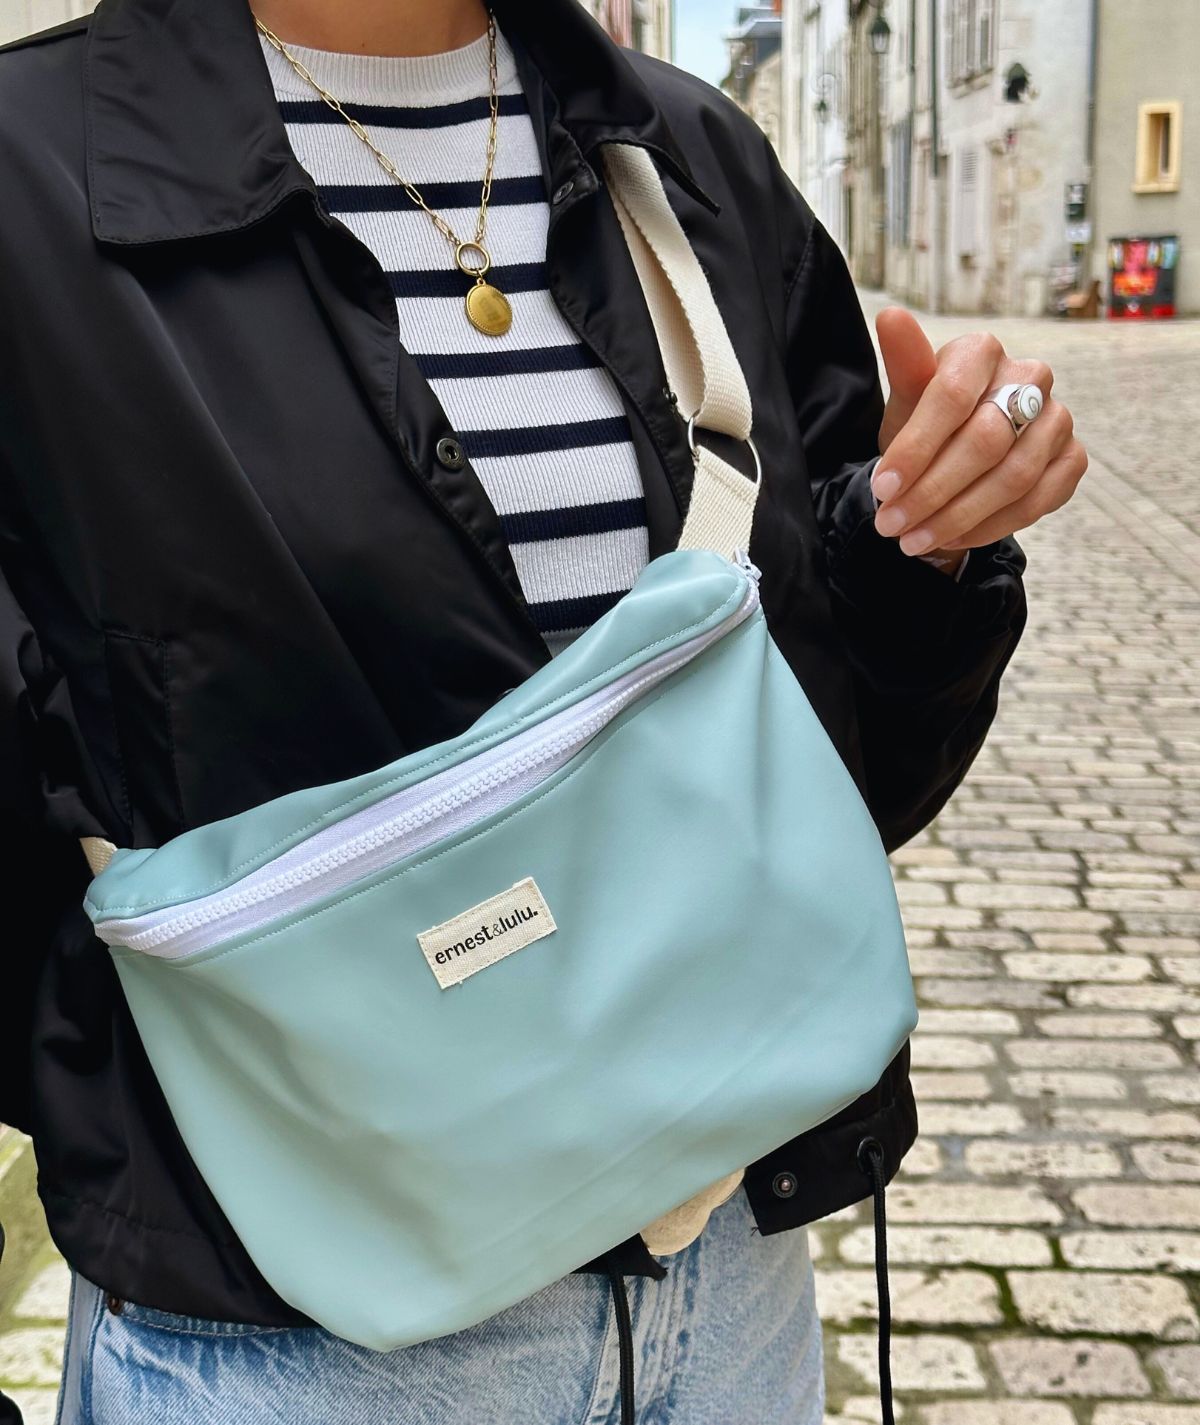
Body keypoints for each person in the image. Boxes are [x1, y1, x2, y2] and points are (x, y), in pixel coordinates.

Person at [0, 0, 1086, 1421]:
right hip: (289, 1344)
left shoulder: (689, 157)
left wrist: (929, 549)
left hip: (728, 1298)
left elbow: (841, 777)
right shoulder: (34, 179)